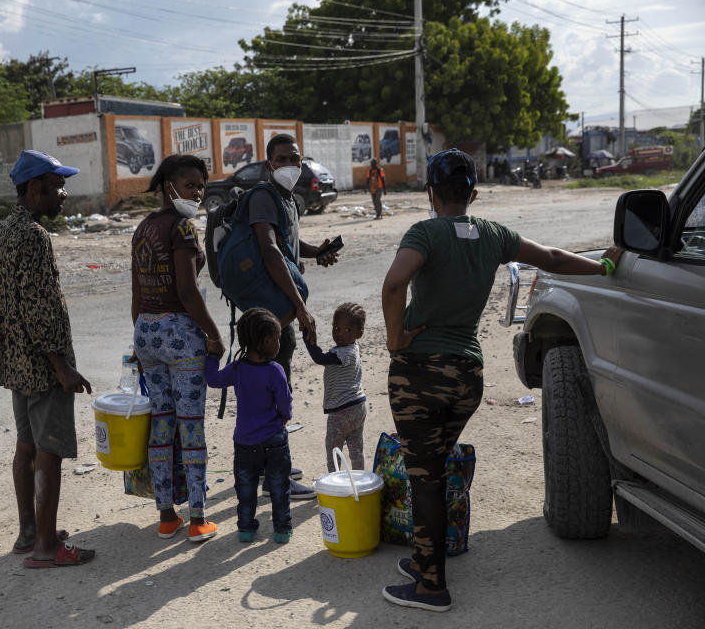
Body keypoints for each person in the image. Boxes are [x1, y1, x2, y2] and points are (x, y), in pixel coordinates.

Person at [379, 148, 623, 611]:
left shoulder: (425, 232)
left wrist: (395, 339)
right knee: (432, 466)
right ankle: (424, 560)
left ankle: (431, 586)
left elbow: (394, 285)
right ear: (472, 193)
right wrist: (604, 266)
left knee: (424, 474)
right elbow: (551, 257)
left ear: (431, 193)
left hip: (420, 375)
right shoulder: (492, 235)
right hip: (467, 377)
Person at [0, 150, 95, 568]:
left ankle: (30, 533)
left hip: (16, 362)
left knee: (26, 447)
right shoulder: (32, 235)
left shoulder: (3, 231)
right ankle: (47, 550)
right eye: (57, 187)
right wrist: (61, 367)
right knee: (47, 453)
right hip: (40, 366)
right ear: (35, 189)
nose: (64, 195)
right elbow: (36, 307)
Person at [130, 154, 225, 542]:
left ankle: (167, 515)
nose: (198, 192)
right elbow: (187, 291)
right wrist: (215, 335)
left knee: (162, 424)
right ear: (169, 186)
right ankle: (199, 517)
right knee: (190, 427)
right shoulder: (183, 228)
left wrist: (137, 338)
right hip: (179, 336)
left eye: (201, 186)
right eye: (190, 185)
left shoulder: (142, 227)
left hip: (146, 333)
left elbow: (136, 291)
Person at [247, 133, 341, 499]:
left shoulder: (285, 198)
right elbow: (270, 251)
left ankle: (266, 465)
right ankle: (277, 476)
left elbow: (287, 243)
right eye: (282, 159)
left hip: (279, 310)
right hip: (270, 315)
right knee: (273, 392)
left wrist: (317, 251)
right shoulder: (262, 197)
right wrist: (300, 308)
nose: (290, 165)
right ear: (269, 164)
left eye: (295, 158)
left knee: (271, 389)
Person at [205, 308, 294, 543]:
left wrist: (212, 356)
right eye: (277, 337)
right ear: (265, 340)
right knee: (278, 487)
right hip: (274, 439)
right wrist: (285, 416)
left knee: (245, 489)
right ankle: (282, 529)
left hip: (245, 441)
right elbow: (285, 402)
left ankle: (246, 528)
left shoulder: (237, 368)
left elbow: (213, 379)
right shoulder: (275, 371)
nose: (279, 342)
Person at [303, 302, 367, 472]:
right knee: (356, 449)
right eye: (336, 328)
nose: (340, 334)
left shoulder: (344, 353)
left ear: (359, 333)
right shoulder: (353, 348)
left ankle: (335, 480)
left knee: (333, 449)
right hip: (358, 407)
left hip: (341, 411)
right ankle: (360, 480)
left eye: (347, 330)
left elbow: (320, 358)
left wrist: (307, 337)